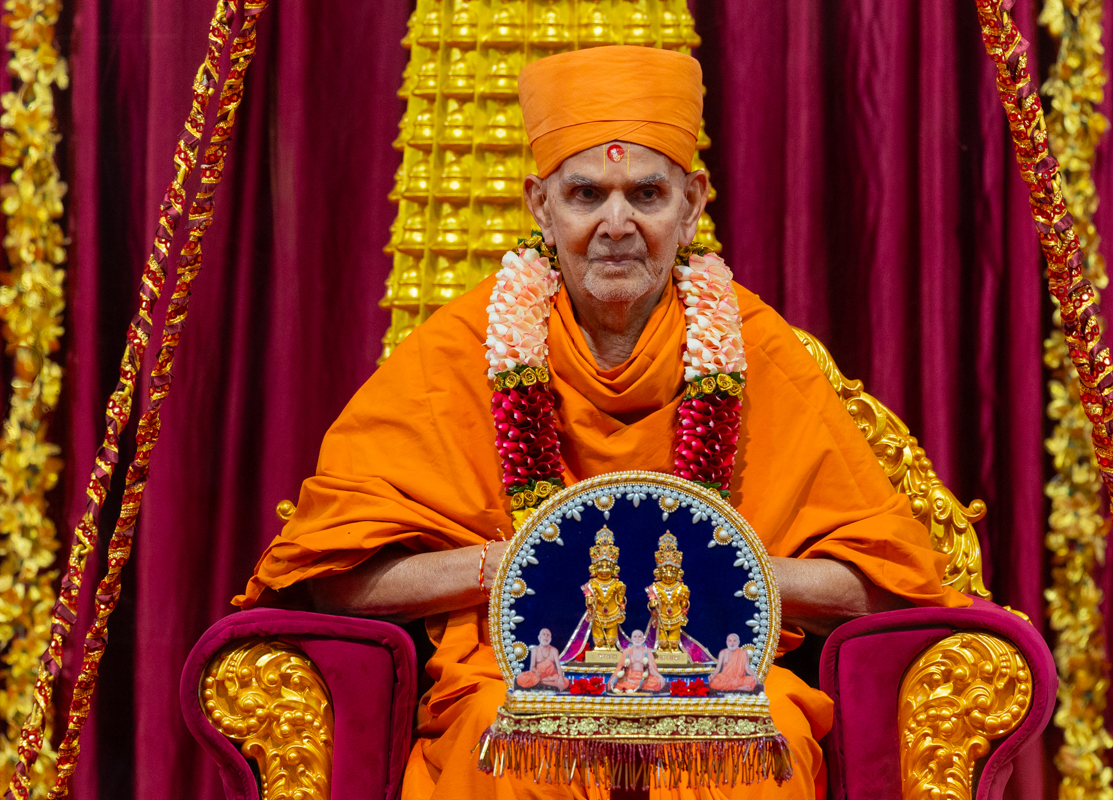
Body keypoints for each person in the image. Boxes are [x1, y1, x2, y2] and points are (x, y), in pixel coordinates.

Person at [234, 45, 969, 800]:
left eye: (645, 194)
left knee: (762, 736)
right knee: (504, 737)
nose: (617, 224)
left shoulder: (756, 350)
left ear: (692, 204)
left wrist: (726, 572)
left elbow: (886, 587)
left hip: (716, 672)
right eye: (587, 195)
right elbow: (334, 579)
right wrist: (523, 564)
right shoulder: (459, 353)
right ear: (540, 206)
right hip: (522, 672)